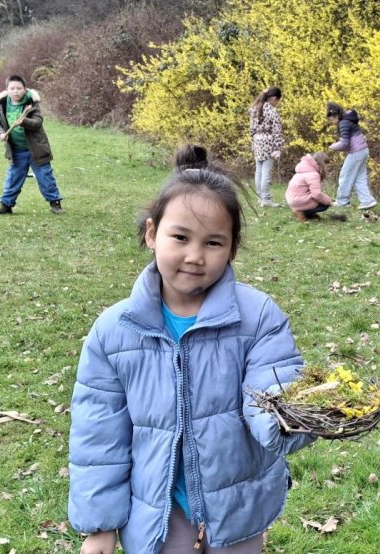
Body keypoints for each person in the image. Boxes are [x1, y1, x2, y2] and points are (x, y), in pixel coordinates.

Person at [68, 159, 316, 553]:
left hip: (238, 505)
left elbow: (272, 385)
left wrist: (291, 417)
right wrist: (100, 525)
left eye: (213, 243)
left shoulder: (258, 317)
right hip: (156, 511)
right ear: (152, 233)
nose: (195, 256)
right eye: (180, 237)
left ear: (232, 248)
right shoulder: (114, 331)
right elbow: (98, 435)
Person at [0, 75, 64, 215]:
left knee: (45, 176)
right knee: (13, 178)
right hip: (16, 151)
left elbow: (37, 123)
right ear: (7, 90)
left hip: (36, 149)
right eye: (12, 88)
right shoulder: (2, 104)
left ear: (25, 89)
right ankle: (6, 205)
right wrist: (0, 134)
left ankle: (55, 203)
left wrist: (24, 121)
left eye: (19, 88)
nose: (16, 91)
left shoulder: (31, 104)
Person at [326, 102, 377, 211]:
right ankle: (367, 201)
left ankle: (342, 202)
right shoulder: (349, 119)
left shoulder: (343, 123)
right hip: (363, 150)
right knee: (359, 178)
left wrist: (332, 147)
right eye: (330, 118)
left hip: (356, 152)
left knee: (345, 176)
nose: (332, 120)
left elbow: (344, 143)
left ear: (336, 114)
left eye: (332, 117)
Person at [285, 152, 346, 222]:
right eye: (326, 165)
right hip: (299, 201)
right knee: (324, 205)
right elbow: (316, 194)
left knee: (324, 200)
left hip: (292, 199)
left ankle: (308, 214)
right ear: (321, 163)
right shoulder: (313, 174)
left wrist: (329, 199)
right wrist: (330, 202)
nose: (327, 167)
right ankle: (301, 212)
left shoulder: (302, 170)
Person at [249, 87, 284, 207]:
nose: (277, 103)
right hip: (268, 141)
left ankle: (260, 198)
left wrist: (253, 142)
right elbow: (276, 130)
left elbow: (251, 129)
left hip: (257, 140)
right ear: (273, 98)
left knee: (258, 171)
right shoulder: (271, 110)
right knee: (266, 172)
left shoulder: (255, 108)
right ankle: (266, 199)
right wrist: (277, 148)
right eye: (277, 101)